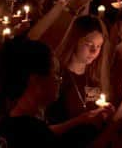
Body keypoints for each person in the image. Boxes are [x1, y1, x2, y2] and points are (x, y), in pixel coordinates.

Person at [48, 15, 116, 146]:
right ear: (74, 41)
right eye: (88, 44)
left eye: (99, 46)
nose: (94, 51)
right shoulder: (56, 78)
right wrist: (80, 121)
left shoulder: (95, 77)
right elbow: (42, 132)